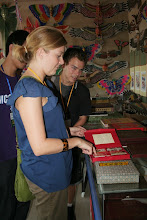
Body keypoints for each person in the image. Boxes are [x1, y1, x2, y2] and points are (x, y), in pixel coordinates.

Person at [7, 26, 96, 220]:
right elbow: (39, 146)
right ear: (41, 52)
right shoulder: (30, 89)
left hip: (52, 167)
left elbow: (44, 125)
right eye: (58, 55)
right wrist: (76, 142)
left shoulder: (42, 83)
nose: (61, 62)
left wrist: (69, 130)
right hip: (46, 171)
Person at [51, 48, 91, 220]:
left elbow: (83, 117)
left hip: (73, 140)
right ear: (64, 63)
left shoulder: (82, 90)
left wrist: (72, 132)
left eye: (81, 69)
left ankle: (69, 209)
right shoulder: (49, 84)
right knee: (53, 176)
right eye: (74, 67)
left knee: (72, 178)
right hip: (51, 139)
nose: (77, 73)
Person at [0, 30, 30, 220]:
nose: (27, 57)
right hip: (2, 156)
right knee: (4, 202)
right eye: (25, 51)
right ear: (12, 48)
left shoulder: (24, 82)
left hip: (23, 155)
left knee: (23, 200)